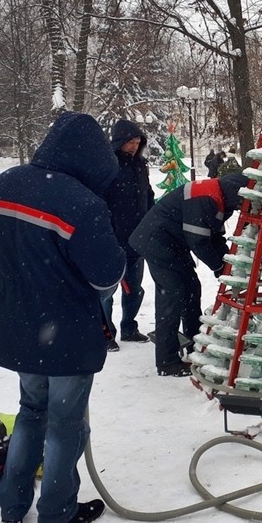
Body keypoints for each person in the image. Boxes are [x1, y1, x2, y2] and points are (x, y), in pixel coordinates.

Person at [0, 112, 125, 523]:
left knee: (30, 412)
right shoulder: (82, 203)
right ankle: (57, 512)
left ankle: (11, 507)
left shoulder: (0, 185)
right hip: (65, 333)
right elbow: (106, 276)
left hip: (15, 322)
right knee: (64, 423)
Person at [129, 172, 249, 376]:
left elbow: (215, 236)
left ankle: (195, 342)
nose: (239, 209)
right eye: (240, 205)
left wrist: (225, 263)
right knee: (173, 295)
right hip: (156, 242)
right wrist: (218, 266)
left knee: (192, 289)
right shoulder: (206, 197)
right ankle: (167, 362)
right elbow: (199, 241)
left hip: (173, 243)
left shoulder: (221, 198)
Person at [102, 119, 156, 350]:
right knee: (107, 290)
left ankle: (129, 328)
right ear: (119, 142)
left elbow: (148, 195)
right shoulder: (107, 166)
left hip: (137, 237)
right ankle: (105, 334)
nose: (134, 146)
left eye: (137, 142)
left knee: (134, 287)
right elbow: (100, 201)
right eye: (130, 142)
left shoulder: (141, 165)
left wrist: (153, 219)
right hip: (112, 239)